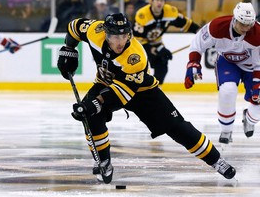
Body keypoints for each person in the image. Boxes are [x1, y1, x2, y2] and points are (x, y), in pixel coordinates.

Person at [57, 13, 236, 184]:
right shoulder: (94, 31)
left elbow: (123, 93)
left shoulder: (136, 57)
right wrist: (69, 49)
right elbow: (75, 26)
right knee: (90, 116)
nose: (120, 42)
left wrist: (97, 102)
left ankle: (216, 160)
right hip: (107, 83)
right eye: (115, 37)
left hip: (141, 91)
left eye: (124, 36)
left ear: (129, 34)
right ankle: (103, 162)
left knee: (177, 127)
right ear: (105, 33)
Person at [184, 2, 260, 144]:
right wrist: (193, 62)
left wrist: (257, 84)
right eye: (243, 24)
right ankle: (226, 130)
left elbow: (259, 65)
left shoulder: (258, 33)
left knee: (259, 100)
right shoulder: (217, 27)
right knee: (227, 90)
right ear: (235, 19)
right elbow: (198, 43)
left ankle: (249, 119)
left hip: (253, 67)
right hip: (228, 62)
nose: (246, 28)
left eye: (250, 24)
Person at [133, 0, 200, 85]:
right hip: (138, 45)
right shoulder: (143, 15)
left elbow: (186, 23)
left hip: (156, 42)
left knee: (162, 63)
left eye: (162, 0)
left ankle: (156, 89)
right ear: (152, 0)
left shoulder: (170, 12)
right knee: (139, 66)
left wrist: (200, 32)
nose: (159, 2)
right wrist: (158, 50)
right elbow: (138, 40)